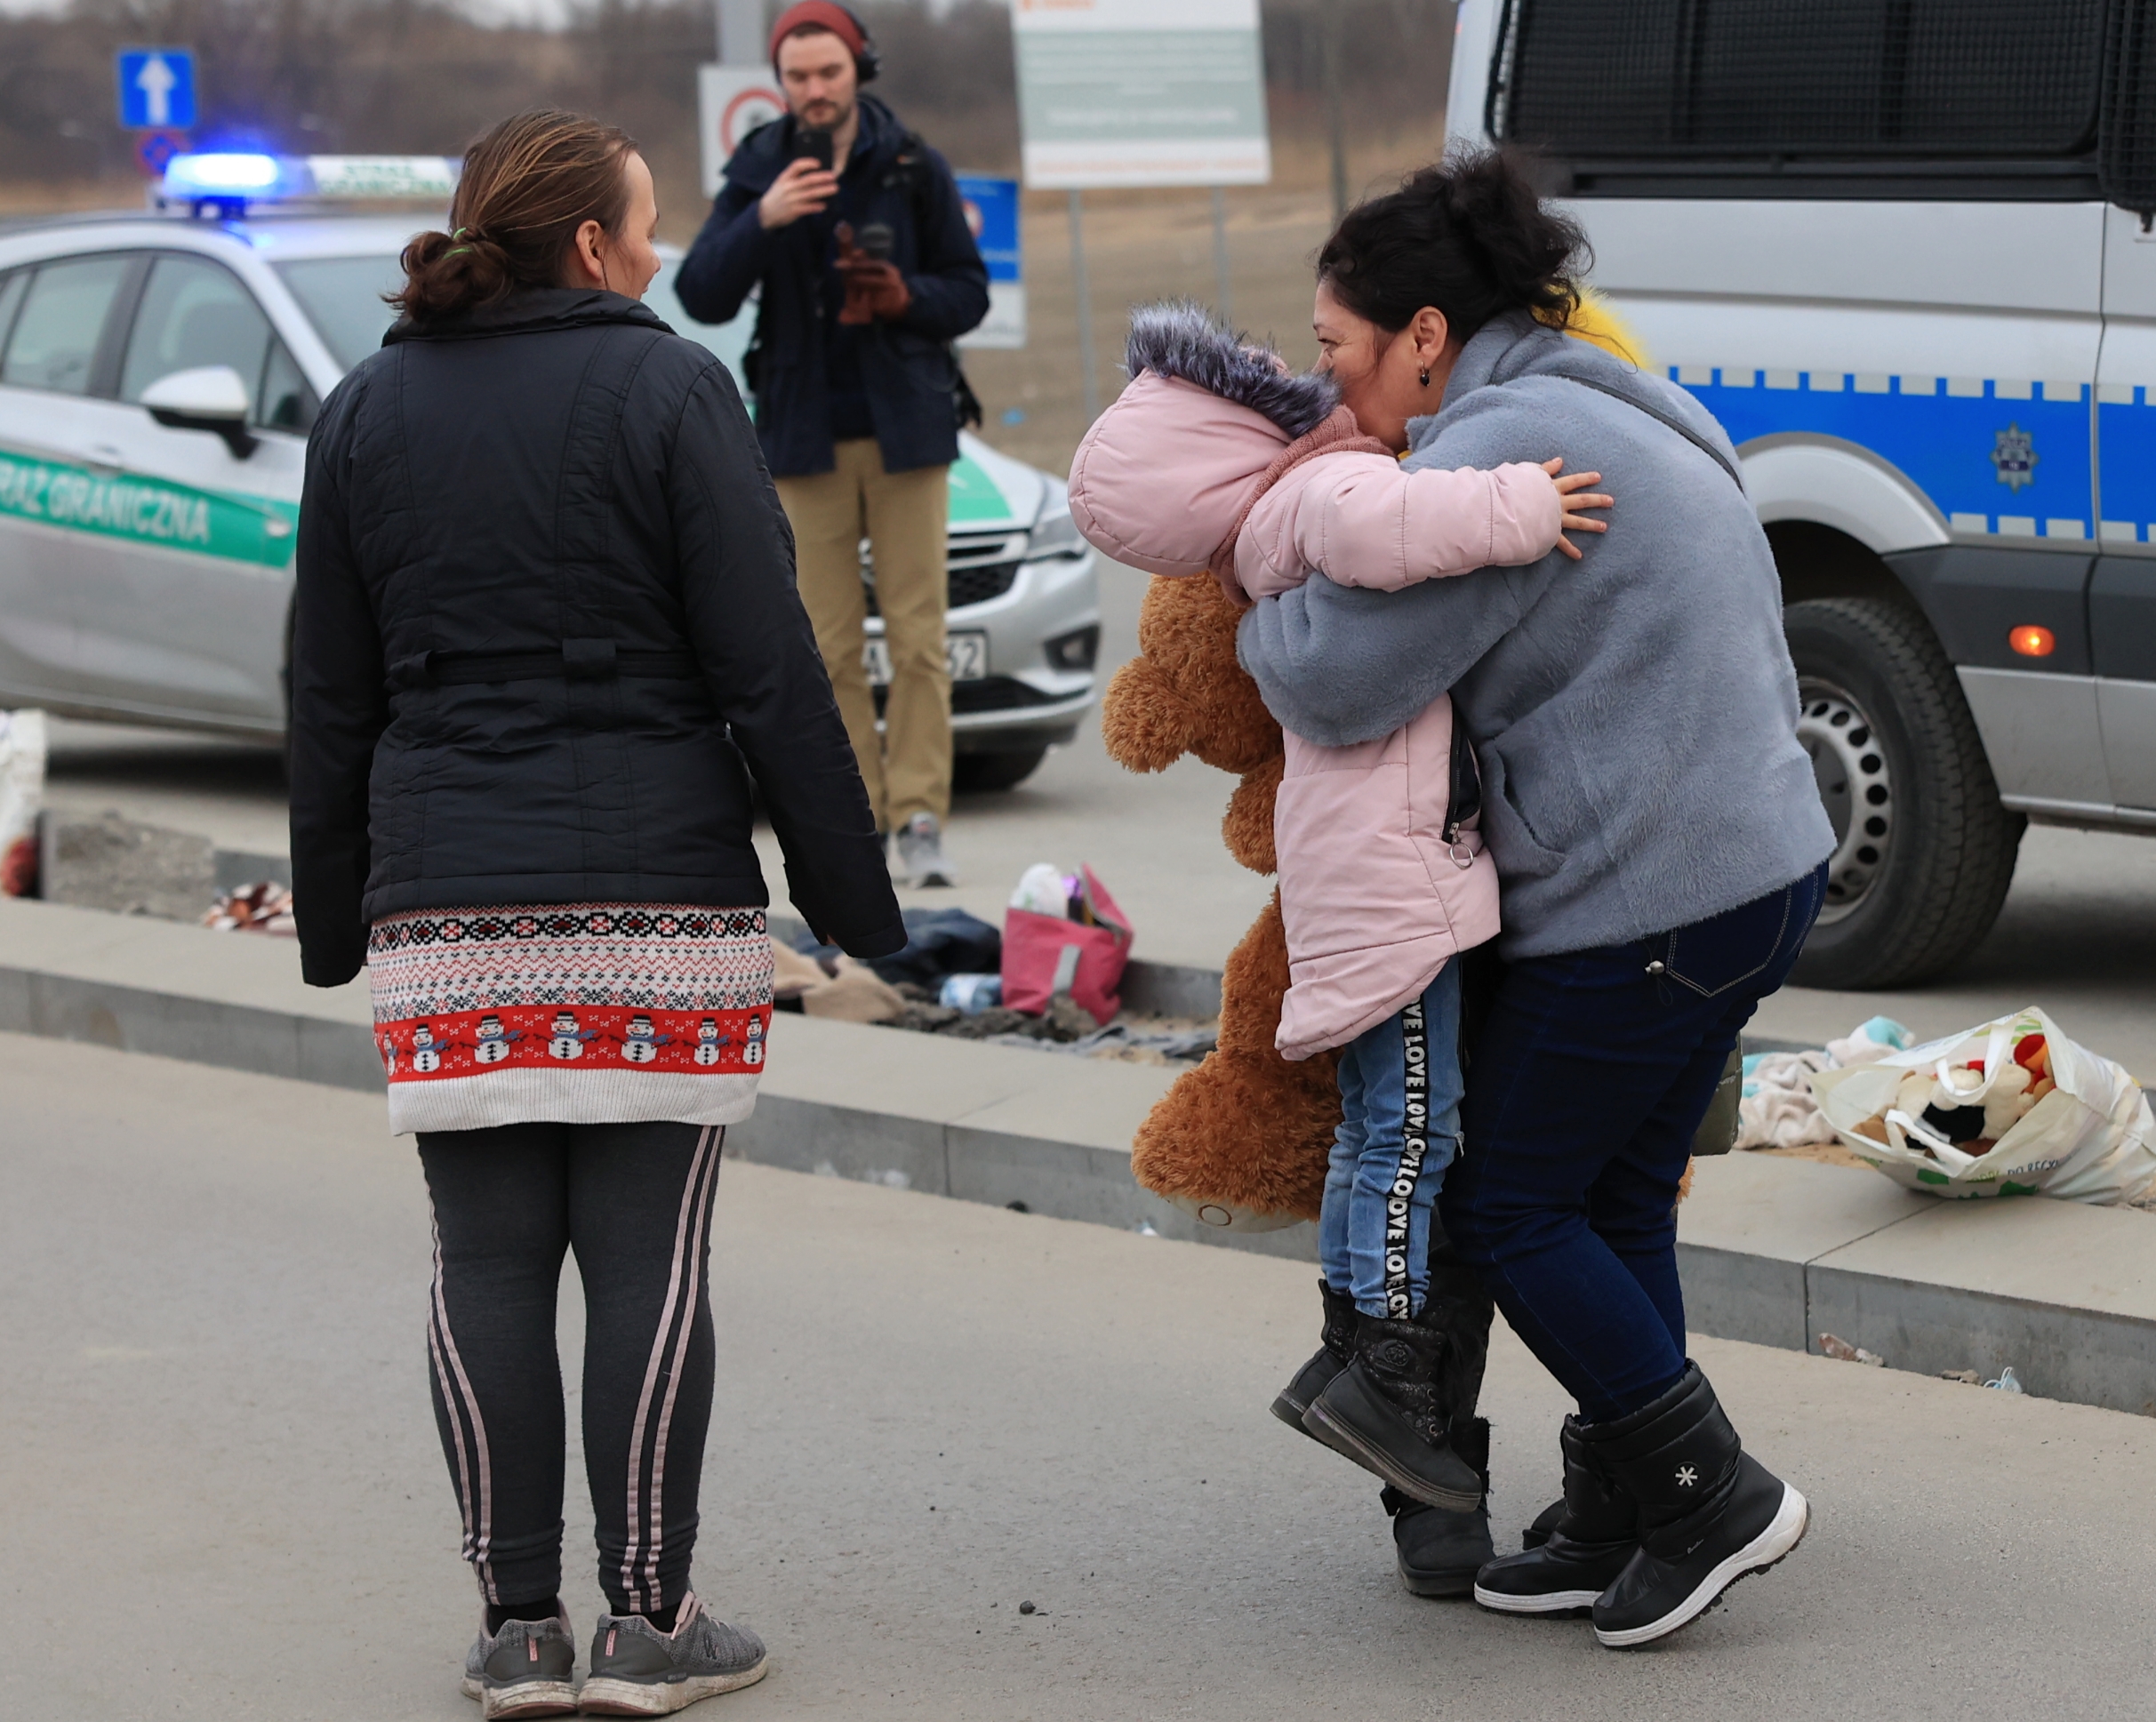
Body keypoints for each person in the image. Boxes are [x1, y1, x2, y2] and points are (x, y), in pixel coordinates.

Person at [287, 109, 902, 1716]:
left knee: (483, 1263)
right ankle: (649, 1620)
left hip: (447, 908)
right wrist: (854, 899)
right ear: (586, 246)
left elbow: (326, 695)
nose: (652, 253)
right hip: (655, 892)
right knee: (650, 1260)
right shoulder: (668, 387)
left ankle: (517, 1632)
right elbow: (766, 662)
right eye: (642, 227)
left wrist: (336, 917)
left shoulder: (362, 411)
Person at [1238, 150, 1836, 1647]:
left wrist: (1268, 578)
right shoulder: (1611, 389)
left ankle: (1706, 1488)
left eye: (1338, 353)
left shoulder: (1481, 461)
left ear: (1424, 335)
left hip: (1653, 894)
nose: (1331, 394)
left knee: (1506, 1203)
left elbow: (1332, 673)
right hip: (1759, 862)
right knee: (1615, 1192)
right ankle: (1625, 1500)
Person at [1068, 303, 1610, 1524]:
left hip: (1352, 880)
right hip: (1392, 897)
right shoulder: (1319, 499)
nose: (1301, 377)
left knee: (1376, 1129)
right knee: (1416, 1130)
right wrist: (1525, 507)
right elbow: (1400, 524)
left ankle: (1345, 1344)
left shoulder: (1262, 535)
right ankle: (1386, 1368)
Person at [675, 0, 990, 890]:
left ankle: (921, 815)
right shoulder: (757, 168)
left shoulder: (909, 163)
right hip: (802, 437)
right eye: (797, 77)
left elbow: (965, 293)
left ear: (859, 70)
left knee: (920, 636)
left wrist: (902, 299)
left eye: (828, 73)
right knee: (825, 646)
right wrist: (762, 217)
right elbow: (699, 292)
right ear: (780, 84)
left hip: (906, 433)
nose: (813, 91)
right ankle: (858, 822)